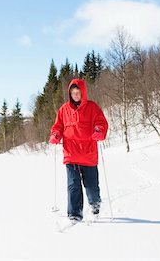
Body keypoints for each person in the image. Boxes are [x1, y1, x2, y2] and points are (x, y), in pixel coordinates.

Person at [49, 78, 109, 221]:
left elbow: (101, 122)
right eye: (73, 93)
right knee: (73, 186)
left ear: (83, 93)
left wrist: (99, 130)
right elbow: (58, 126)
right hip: (71, 154)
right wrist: (56, 134)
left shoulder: (92, 107)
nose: (75, 95)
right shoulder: (64, 110)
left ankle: (95, 204)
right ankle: (74, 214)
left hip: (88, 155)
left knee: (91, 187)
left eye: (78, 93)